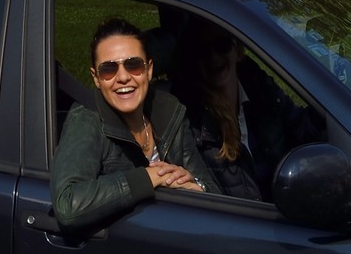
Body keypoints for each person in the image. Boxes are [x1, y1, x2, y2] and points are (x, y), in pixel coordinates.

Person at [51, 18, 214, 232]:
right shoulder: (87, 120)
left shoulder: (168, 111)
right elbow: (68, 203)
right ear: (96, 78)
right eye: (109, 69)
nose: (123, 77)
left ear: (148, 69)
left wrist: (194, 187)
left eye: (133, 65)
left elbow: (212, 191)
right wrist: (149, 177)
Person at [171, 19, 324, 200]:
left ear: (238, 50)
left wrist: (333, 108)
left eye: (222, 45)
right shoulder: (192, 121)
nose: (213, 57)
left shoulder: (261, 91)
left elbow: (301, 130)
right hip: (246, 223)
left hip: (286, 210)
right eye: (203, 51)